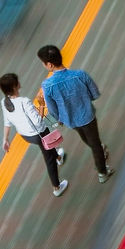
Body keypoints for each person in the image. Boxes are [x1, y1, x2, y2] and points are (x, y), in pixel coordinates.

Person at [37, 45, 114, 183]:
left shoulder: (47, 86)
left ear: (49, 64)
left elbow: (52, 109)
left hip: (70, 120)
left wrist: (60, 119)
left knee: (87, 138)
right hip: (88, 116)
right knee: (94, 142)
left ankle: (101, 160)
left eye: (43, 63)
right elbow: (94, 93)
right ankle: (102, 172)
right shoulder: (80, 75)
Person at [0, 73, 68, 197]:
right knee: (48, 158)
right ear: (15, 87)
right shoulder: (24, 102)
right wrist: (41, 104)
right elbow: (38, 121)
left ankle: (58, 157)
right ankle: (56, 187)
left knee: (48, 148)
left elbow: (7, 122)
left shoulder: (4, 102)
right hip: (39, 133)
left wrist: (5, 139)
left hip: (25, 135)